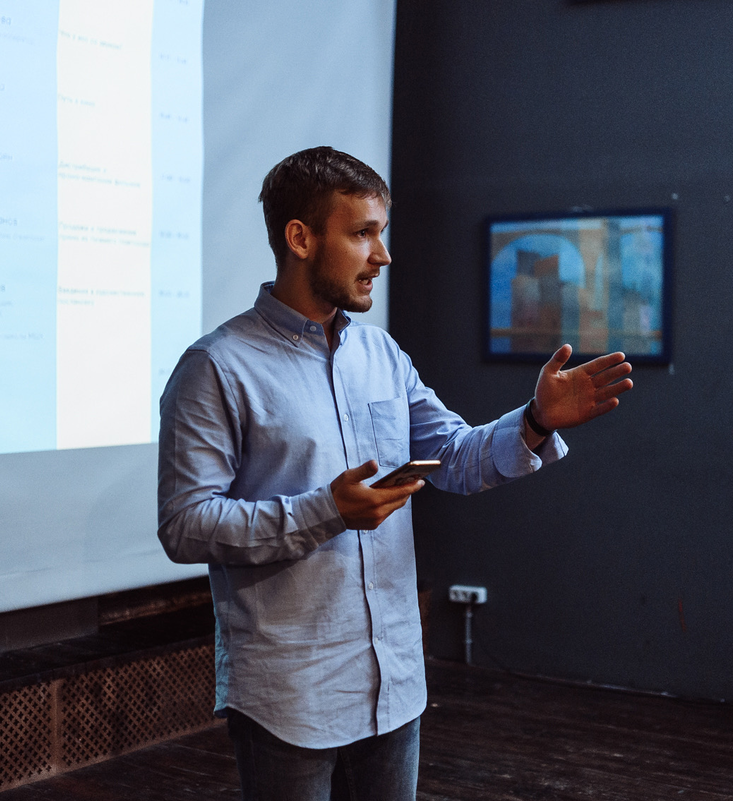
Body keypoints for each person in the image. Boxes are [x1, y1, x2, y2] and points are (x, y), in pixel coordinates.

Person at [156, 147, 633, 800]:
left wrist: (535, 420)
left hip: (393, 682)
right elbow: (185, 525)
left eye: (381, 233)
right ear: (300, 237)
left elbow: (457, 458)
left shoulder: (381, 353)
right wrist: (326, 510)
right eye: (362, 233)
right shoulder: (216, 366)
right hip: (291, 697)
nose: (382, 255)